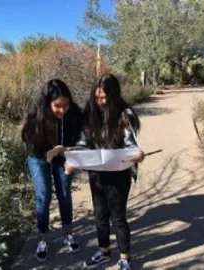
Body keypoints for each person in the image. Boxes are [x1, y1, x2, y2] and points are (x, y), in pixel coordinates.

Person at [75, 74, 145, 270]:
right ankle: (104, 252)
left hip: (119, 173)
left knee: (118, 216)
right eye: (96, 97)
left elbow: (131, 144)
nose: (99, 102)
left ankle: (124, 258)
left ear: (113, 96)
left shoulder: (125, 114)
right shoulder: (90, 113)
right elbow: (83, 142)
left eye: (103, 98)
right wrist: (75, 157)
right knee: (100, 215)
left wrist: (137, 155)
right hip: (96, 173)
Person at [21, 79, 82, 262]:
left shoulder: (75, 114)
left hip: (63, 158)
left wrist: (71, 153)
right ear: (47, 103)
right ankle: (43, 238)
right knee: (44, 195)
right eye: (57, 106)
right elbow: (30, 144)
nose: (62, 110)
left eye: (66, 105)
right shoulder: (35, 117)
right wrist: (48, 150)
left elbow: (81, 138)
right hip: (39, 158)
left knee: (64, 194)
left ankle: (67, 234)